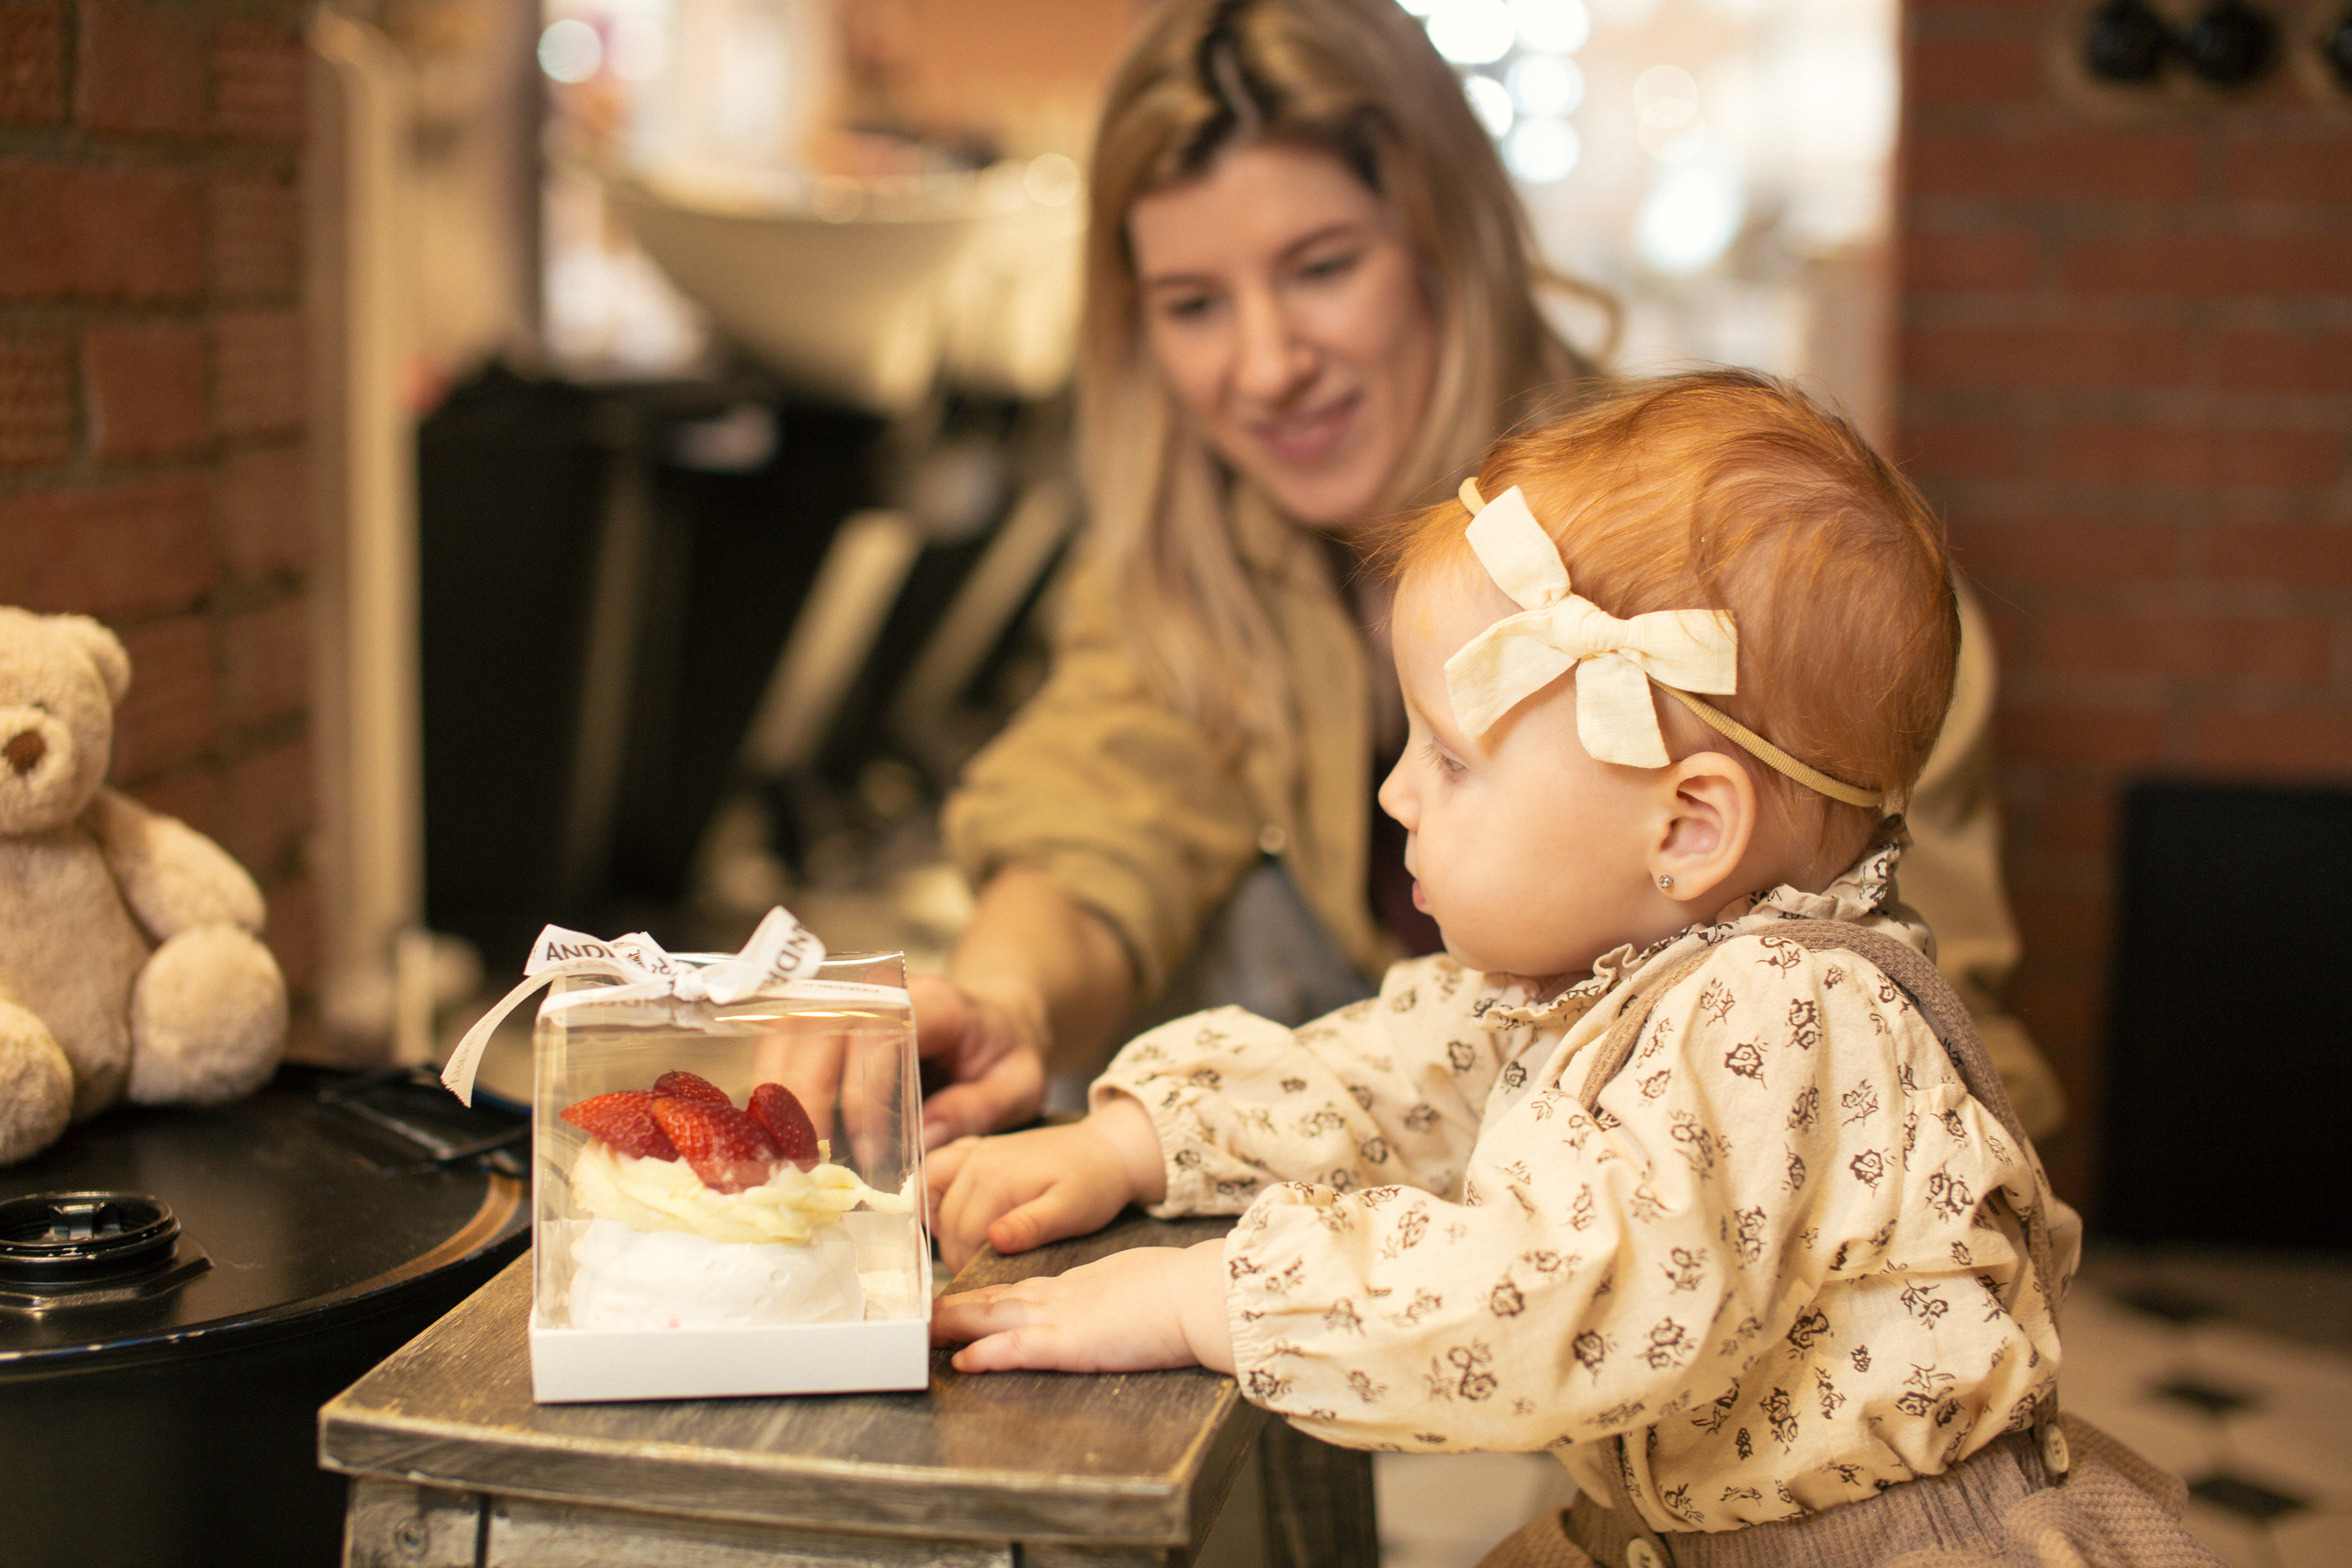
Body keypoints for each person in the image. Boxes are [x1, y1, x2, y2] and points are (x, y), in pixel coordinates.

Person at [926, 373, 2211, 1566]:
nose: (1396, 792)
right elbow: (1396, 1071)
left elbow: (1558, 1293)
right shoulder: (1625, 977)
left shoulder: (1779, 1012)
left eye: (1450, 759)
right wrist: (1141, 1140)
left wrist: (1206, 1299)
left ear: (1686, 828)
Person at [912, 0, 2064, 1154]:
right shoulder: (1191, 554)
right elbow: (1099, 805)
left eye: (1321, 268)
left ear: (1446, 243)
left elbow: (1908, 1030)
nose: (1265, 366)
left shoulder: (1757, 578)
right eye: (1194, 305)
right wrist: (1003, 1003)